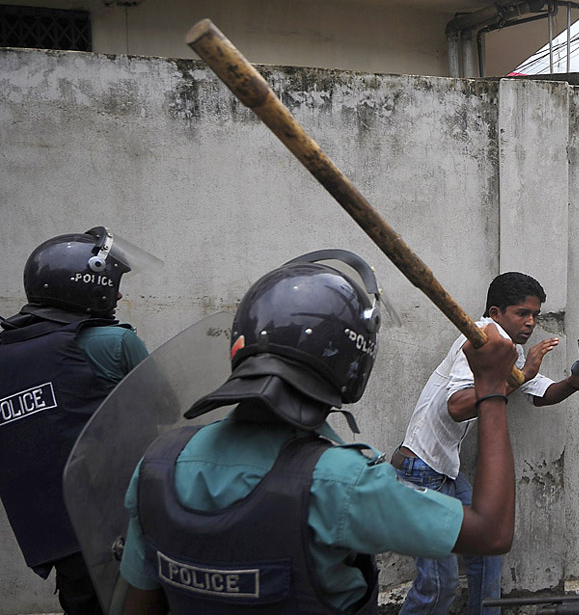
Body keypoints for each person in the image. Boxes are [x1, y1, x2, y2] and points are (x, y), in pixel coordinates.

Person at [117, 249, 521, 615]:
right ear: (352, 365)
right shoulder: (341, 482)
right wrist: (490, 388)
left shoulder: (159, 465)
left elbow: (138, 601)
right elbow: (491, 532)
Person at [395, 271, 579, 615]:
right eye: (522, 313)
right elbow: (458, 406)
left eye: (535, 315)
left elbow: (539, 394)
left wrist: (574, 382)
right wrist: (524, 376)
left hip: (445, 471)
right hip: (422, 471)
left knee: (488, 551)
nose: (531, 322)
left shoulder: (508, 349)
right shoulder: (478, 340)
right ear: (495, 313)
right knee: (439, 584)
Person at [0, 227, 152, 615]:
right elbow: (165, 406)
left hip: (55, 529)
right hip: (120, 517)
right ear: (87, 284)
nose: (119, 296)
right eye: (113, 285)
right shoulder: (115, 341)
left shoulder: (9, 350)